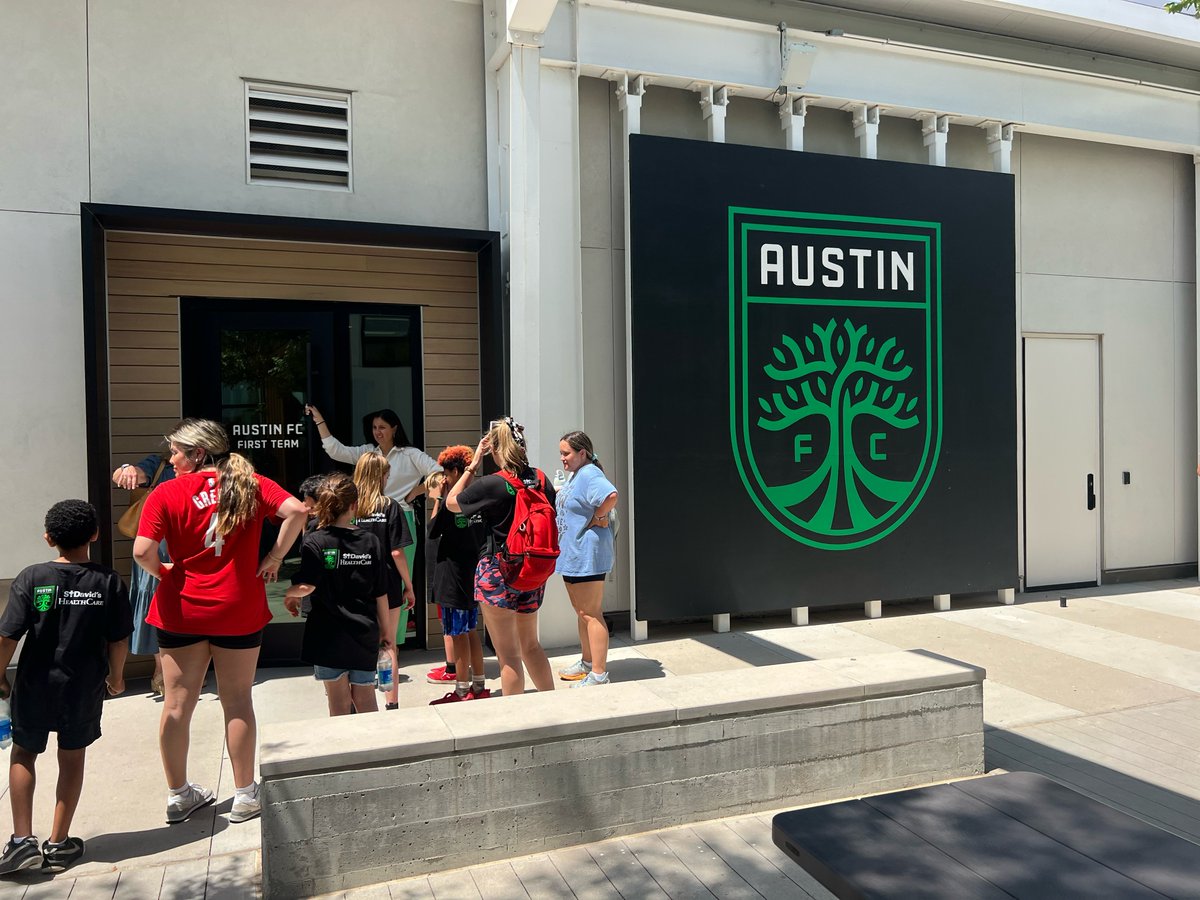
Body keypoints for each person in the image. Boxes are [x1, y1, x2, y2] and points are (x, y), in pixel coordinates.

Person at [133, 419, 307, 826]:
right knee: (237, 699)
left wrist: (163, 572)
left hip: (181, 608)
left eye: (176, 451)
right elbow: (297, 511)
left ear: (198, 453)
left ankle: (179, 795)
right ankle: (245, 795)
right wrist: (275, 558)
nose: (171, 459)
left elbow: (142, 551)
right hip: (238, 608)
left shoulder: (166, 492)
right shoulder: (250, 483)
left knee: (177, 703)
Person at [0, 500, 132, 874]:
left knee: (24, 753)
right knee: (71, 757)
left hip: (34, 684)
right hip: (83, 686)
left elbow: (7, 636)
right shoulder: (108, 581)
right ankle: (58, 843)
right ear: (94, 535)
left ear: (48, 539)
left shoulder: (31, 577)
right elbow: (118, 640)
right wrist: (117, 677)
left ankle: (22, 841)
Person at [306, 405, 441, 649]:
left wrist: (414, 493)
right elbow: (336, 450)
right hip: (366, 516)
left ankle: (393, 643)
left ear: (394, 429)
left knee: (397, 582)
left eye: (382, 427)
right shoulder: (368, 452)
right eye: (374, 427)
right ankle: (370, 638)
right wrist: (319, 420)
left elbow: (439, 473)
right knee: (366, 579)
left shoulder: (409, 454)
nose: (377, 432)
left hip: (401, 517)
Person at [446, 417, 556, 698]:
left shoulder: (493, 484)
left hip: (497, 571)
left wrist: (472, 464)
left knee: (508, 655)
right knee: (531, 645)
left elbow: (451, 503)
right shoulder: (542, 479)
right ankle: (555, 706)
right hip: (532, 569)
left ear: (494, 449)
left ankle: (514, 725)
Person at [284, 474, 392, 717]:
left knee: (338, 703)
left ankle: (343, 751)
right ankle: (374, 752)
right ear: (354, 505)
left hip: (327, 635)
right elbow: (381, 594)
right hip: (363, 633)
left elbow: (306, 587)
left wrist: (288, 593)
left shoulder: (315, 541)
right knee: (366, 700)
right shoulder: (371, 542)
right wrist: (387, 635)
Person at [554, 432, 619, 687]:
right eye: (561, 453)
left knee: (591, 614)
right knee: (583, 613)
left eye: (566, 453)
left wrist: (600, 517)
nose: (562, 459)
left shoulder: (590, 473)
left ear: (582, 453)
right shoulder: (577, 474)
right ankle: (588, 662)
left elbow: (611, 496)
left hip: (587, 555)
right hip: (574, 554)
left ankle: (599, 674)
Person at [351, 453, 415, 711]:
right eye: (387, 474)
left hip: (354, 581)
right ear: (380, 476)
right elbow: (397, 552)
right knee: (388, 644)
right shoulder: (390, 506)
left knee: (356, 643)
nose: (388, 478)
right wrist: (408, 585)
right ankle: (391, 701)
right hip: (386, 582)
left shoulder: (350, 506)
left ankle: (355, 701)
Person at [425, 447, 489, 704]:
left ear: (454, 471)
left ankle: (462, 691)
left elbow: (431, 531)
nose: (444, 479)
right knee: (471, 631)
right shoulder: (480, 496)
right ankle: (479, 685)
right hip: (471, 574)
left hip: (453, 576)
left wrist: (438, 498)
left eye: (446, 473)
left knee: (458, 634)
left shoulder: (453, 503)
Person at [112, 454, 175, 695]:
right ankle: (161, 670)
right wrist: (127, 468)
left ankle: (182, 668)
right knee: (154, 602)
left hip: (188, 543)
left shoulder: (208, 468)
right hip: (156, 545)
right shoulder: (160, 465)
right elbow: (120, 476)